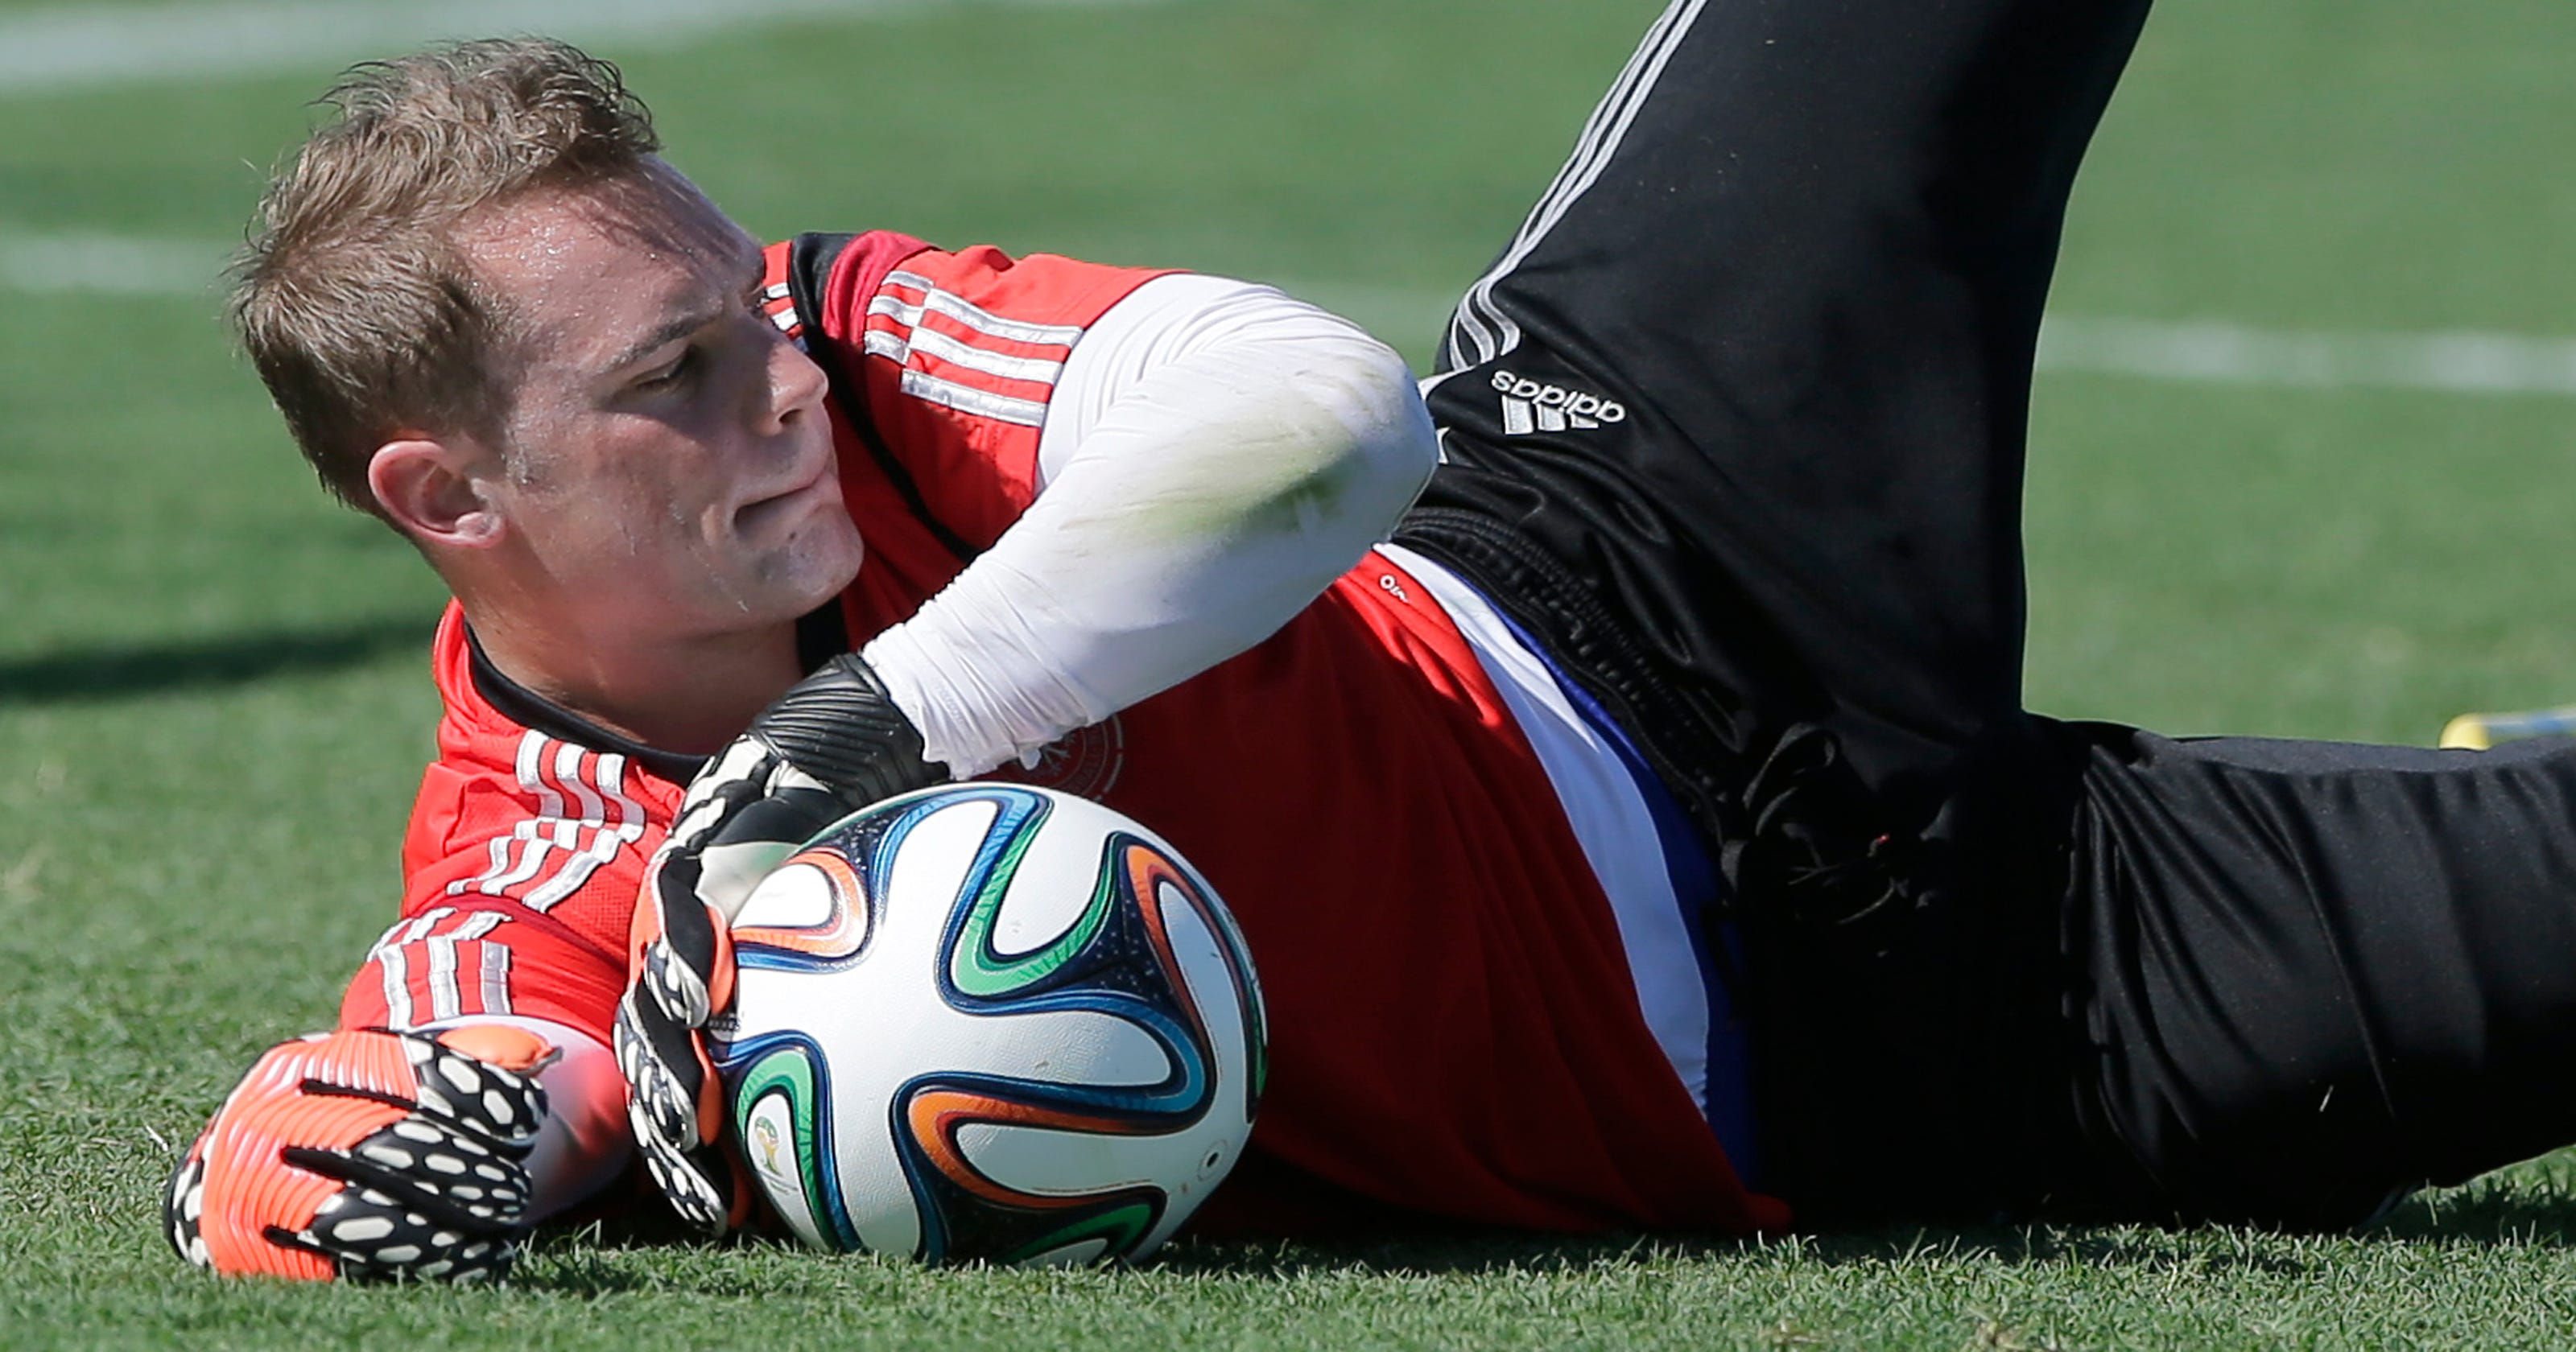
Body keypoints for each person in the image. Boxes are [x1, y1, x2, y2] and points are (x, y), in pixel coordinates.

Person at [163, 0, 2576, 1285]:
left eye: (740, 302)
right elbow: (436, 1095)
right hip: (1928, 1047)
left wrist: (879, 719)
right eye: (667, 379)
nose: (774, 373)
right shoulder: (540, 865)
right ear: (447, 500)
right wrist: (357, 1169)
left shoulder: (870, 347)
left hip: (1640, 524)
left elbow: (1324, 416)